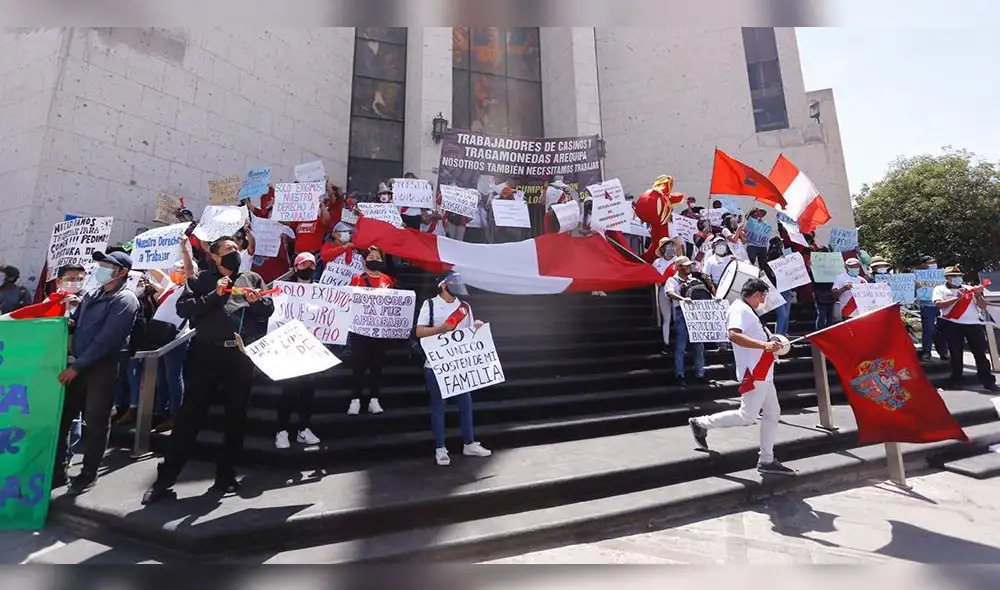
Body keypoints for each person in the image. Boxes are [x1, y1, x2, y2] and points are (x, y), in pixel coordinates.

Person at [141, 236, 274, 504]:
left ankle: (226, 476)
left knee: (236, 419)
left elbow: (267, 310)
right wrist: (216, 294)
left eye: (237, 249)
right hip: (206, 354)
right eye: (228, 249)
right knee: (190, 417)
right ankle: (166, 478)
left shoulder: (252, 278)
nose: (234, 253)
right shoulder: (200, 279)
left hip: (240, 356)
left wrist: (257, 302)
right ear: (214, 256)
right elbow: (184, 309)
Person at [688, 278, 796, 475]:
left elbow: (753, 336)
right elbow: (733, 335)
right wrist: (765, 345)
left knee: (773, 413)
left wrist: (771, 341)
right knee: (747, 416)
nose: (765, 300)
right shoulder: (740, 309)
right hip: (754, 372)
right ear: (757, 294)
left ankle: (766, 458)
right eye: (763, 295)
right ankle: (701, 422)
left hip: (763, 370)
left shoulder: (747, 310)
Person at [53, 251, 140, 494]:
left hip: (101, 369)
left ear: (122, 272)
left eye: (107, 265)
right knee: (64, 418)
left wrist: (77, 368)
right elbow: (75, 323)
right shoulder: (92, 294)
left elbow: (107, 341)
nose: (100, 268)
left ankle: (88, 473)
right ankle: (58, 471)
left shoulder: (125, 300)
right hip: (78, 365)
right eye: (101, 264)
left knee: (96, 422)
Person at [414, 273, 493, 466]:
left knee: (466, 403)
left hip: (459, 364)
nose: (457, 285)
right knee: (438, 405)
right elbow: (419, 331)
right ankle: (440, 448)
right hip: (436, 363)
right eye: (453, 282)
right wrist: (441, 329)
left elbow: (469, 332)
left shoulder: (465, 307)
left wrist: (477, 326)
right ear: (443, 285)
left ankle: (470, 442)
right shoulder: (430, 305)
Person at [275, 253, 323, 448]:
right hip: (289, 347)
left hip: (311, 349)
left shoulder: (322, 291)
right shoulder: (283, 290)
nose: (308, 267)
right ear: (295, 267)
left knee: (308, 392)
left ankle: (304, 428)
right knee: (288, 391)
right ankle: (282, 431)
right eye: (303, 264)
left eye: (311, 264)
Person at [346, 246, 395, 415]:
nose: (374, 259)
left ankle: (374, 399)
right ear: (365, 260)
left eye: (378, 257)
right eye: (371, 256)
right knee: (358, 366)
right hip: (359, 330)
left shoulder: (388, 280)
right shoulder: (357, 279)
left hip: (380, 332)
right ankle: (355, 399)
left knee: (377, 366)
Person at [933, 266, 998, 392]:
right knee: (956, 354)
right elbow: (939, 304)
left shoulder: (969, 289)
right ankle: (956, 380)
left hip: (973, 324)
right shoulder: (940, 289)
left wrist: (977, 295)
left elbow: (983, 306)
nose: (957, 278)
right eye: (953, 276)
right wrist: (958, 298)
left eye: (958, 276)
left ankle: (988, 382)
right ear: (947, 278)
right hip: (952, 324)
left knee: (980, 354)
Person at [664, 257, 709, 386]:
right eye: (686, 266)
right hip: (681, 313)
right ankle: (679, 374)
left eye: (690, 265)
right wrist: (683, 299)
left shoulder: (694, 280)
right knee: (680, 346)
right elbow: (669, 292)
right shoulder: (672, 280)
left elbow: (704, 293)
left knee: (699, 345)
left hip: (695, 314)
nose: (689, 267)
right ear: (679, 267)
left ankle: (700, 374)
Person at [917, 255, 949, 361]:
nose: (933, 265)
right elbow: (910, 293)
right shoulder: (917, 277)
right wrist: (916, 287)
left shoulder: (941, 275)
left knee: (942, 329)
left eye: (934, 262)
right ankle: (927, 352)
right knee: (929, 329)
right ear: (923, 265)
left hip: (942, 304)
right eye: (930, 263)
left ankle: (943, 352)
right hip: (927, 305)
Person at [653, 237, 680, 355]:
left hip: (677, 291)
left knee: (677, 318)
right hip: (663, 291)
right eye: (667, 245)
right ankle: (666, 343)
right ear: (662, 248)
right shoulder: (657, 263)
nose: (670, 247)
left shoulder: (678, 261)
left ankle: (680, 343)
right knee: (667, 318)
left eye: (671, 245)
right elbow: (654, 277)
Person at [831, 257, 867, 321]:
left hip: (861, 312)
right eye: (852, 266)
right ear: (846, 267)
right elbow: (834, 295)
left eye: (857, 266)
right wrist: (844, 288)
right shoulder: (840, 278)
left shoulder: (862, 280)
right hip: (846, 311)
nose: (855, 268)